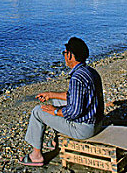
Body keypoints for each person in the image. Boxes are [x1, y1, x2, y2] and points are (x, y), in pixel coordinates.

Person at [18, 37, 104, 167]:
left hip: (84, 129)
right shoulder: (90, 71)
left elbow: (74, 112)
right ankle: (55, 141)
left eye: (64, 53)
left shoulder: (77, 78)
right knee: (55, 101)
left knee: (37, 112)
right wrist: (50, 95)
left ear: (69, 55)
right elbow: (76, 96)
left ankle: (36, 156)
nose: (64, 56)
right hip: (97, 122)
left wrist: (56, 111)